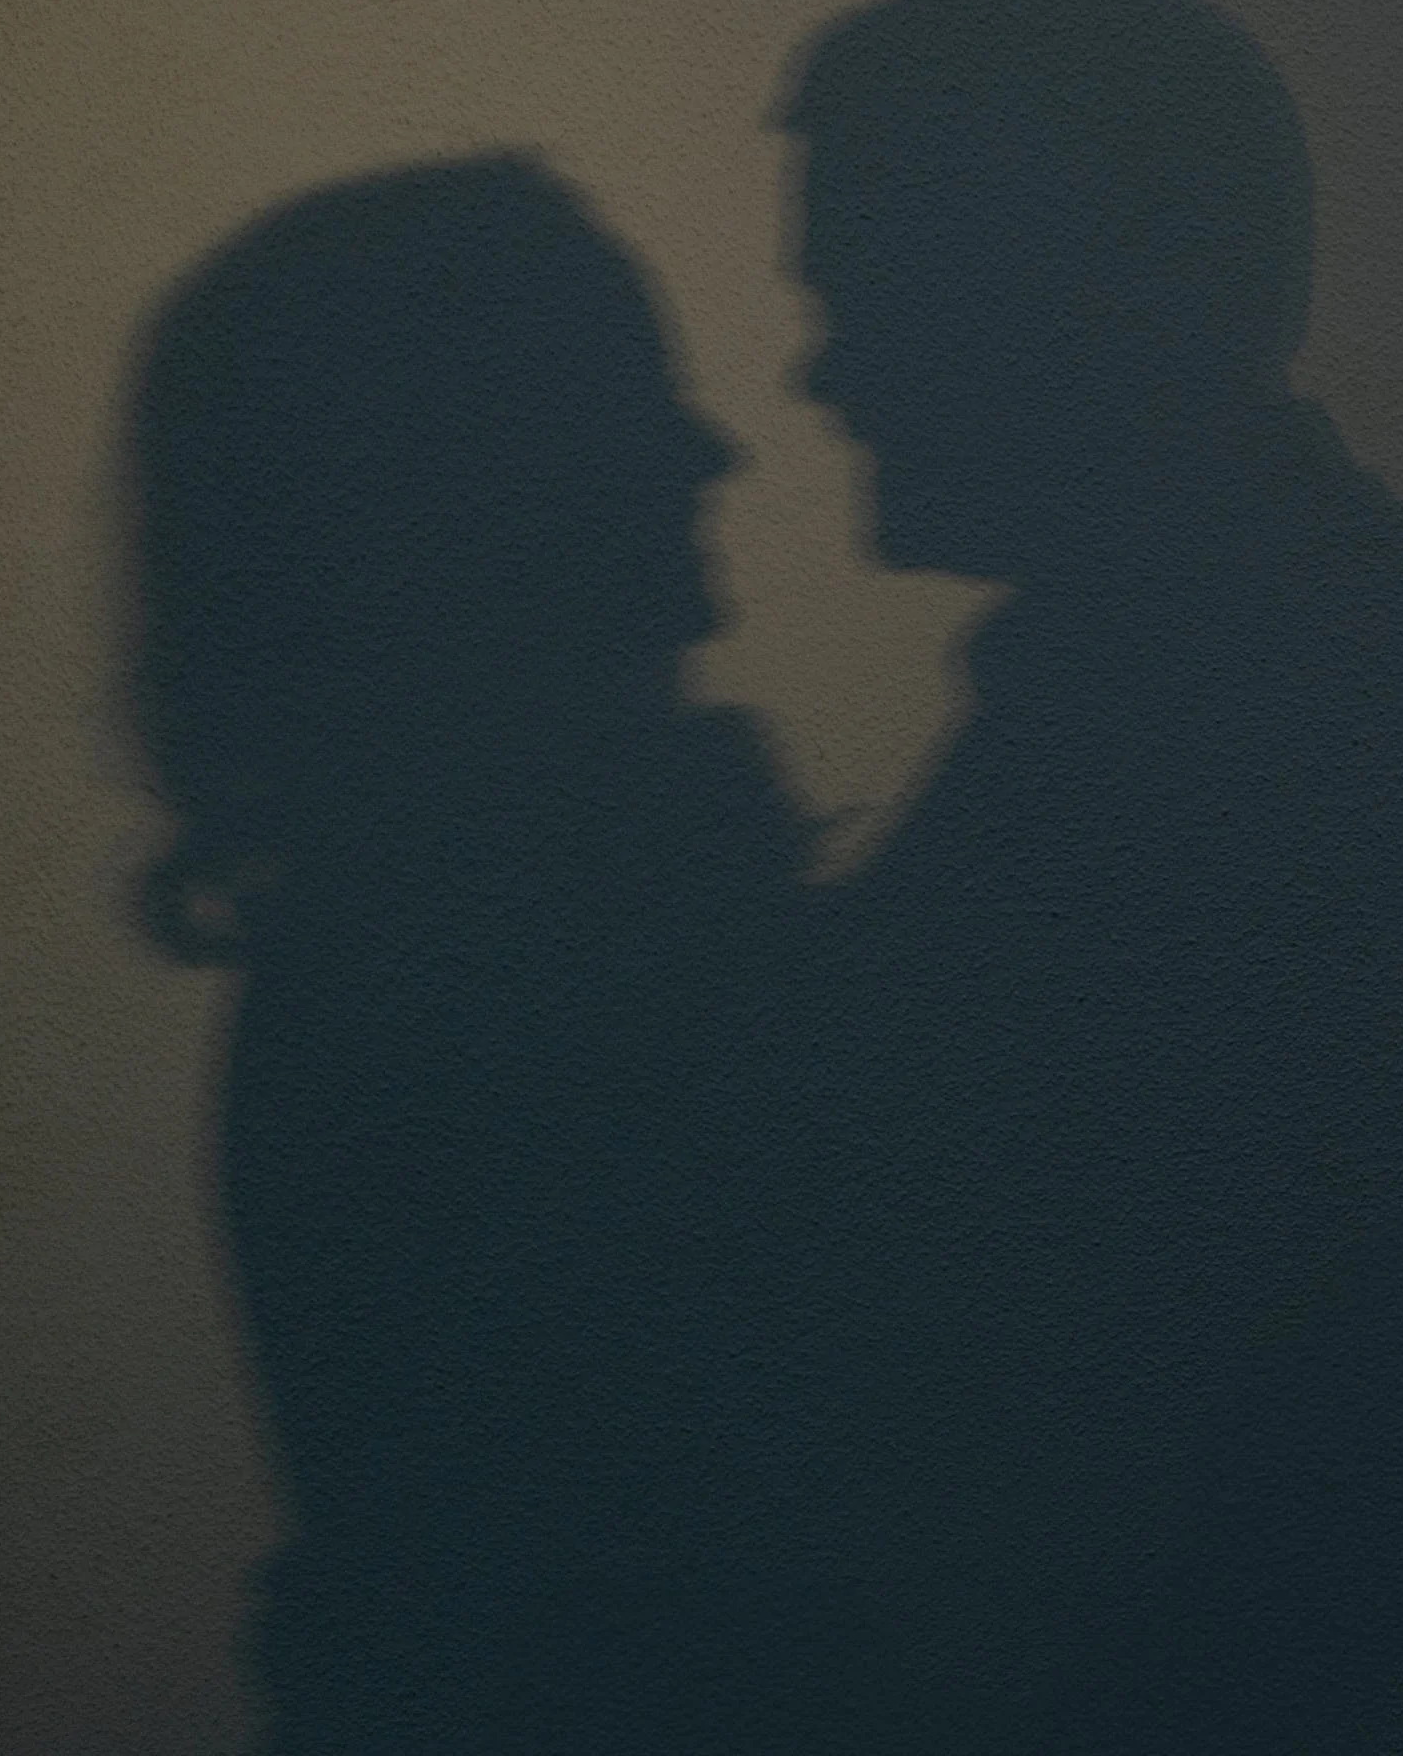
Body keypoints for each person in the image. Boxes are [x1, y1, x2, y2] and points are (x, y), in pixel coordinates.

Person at [777, 0, 1403, 1751]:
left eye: (874, 284)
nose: (823, 371)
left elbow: (1034, 1349)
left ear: (1063, 285)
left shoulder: (1228, 700)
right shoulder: (1324, 643)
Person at [124, 154, 818, 1753]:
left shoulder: (399, 955)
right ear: (482, 486)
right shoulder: (516, 985)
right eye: (636, 400)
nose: (714, 451)